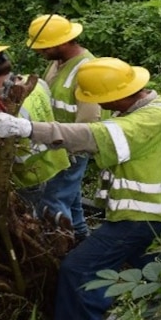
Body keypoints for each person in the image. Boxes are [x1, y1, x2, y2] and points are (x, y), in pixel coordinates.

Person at [0, 58, 161, 320]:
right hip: (155, 212)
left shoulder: (150, 118)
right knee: (159, 272)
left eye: (102, 99)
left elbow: (95, 135)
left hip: (142, 215)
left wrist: (28, 129)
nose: (100, 106)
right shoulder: (148, 107)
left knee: (79, 270)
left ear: (120, 94)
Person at [0, 34, 70, 214]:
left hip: (32, 176)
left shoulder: (7, 111)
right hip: (58, 162)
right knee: (63, 209)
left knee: (39, 220)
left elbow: (13, 154)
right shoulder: (36, 83)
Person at [26, 14, 96, 240]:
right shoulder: (57, 64)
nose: (41, 52)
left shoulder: (87, 71)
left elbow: (89, 122)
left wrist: (71, 150)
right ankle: (81, 236)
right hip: (56, 144)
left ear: (64, 43)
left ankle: (61, 247)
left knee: (54, 200)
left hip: (72, 147)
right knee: (70, 195)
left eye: (45, 48)